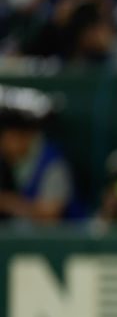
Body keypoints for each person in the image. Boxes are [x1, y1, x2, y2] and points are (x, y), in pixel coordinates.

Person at [0, 84, 81, 223]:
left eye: (6, 135)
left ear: (25, 136)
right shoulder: (6, 161)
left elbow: (49, 214)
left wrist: (5, 202)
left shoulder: (52, 162)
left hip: (64, 242)